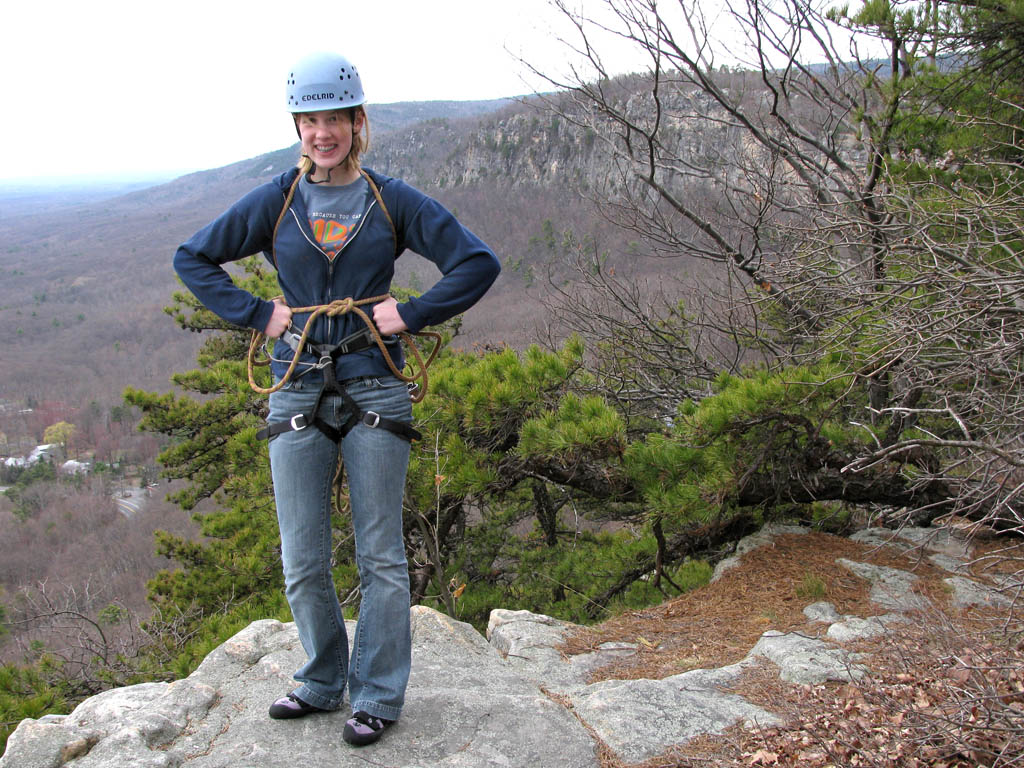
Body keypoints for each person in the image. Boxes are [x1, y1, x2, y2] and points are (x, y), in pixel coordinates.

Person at [173, 51, 500, 747]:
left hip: (374, 379)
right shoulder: (279, 199)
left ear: (358, 121)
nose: (323, 133)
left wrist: (410, 313)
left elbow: (477, 262)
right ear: (299, 125)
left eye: (335, 119)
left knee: (381, 553)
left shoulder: (390, 200)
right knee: (302, 554)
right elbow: (193, 257)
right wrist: (257, 313)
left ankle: (377, 694)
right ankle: (324, 679)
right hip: (295, 381)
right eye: (310, 120)